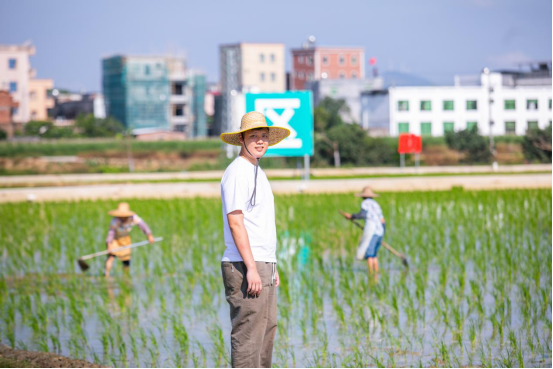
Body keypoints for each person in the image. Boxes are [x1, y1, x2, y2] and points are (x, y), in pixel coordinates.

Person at [219, 111, 290, 368]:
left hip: (262, 263)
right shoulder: (238, 172)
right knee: (249, 337)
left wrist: (271, 265)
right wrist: (251, 268)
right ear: (241, 139)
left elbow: (258, 224)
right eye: (254, 136)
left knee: (266, 332)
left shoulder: (256, 170)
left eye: (264, 136)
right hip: (244, 264)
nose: (260, 141)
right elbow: (236, 222)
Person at [342, 187, 386, 276]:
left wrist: (351, 216)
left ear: (363, 196)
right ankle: (376, 273)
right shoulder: (376, 205)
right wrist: (381, 233)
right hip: (380, 230)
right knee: (374, 253)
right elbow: (382, 221)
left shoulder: (365, 203)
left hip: (372, 230)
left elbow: (362, 214)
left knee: (369, 253)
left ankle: (370, 274)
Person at [104, 202, 155, 277]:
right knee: (111, 257)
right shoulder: (114, 221)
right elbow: (110, 234)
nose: (123, 217)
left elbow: (142, 225)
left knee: (126, 260)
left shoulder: (133, 217)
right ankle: (106, 275)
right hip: (115, 239)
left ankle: (126, 276)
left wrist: (149, 235)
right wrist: (109, 246)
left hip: (125, 239)